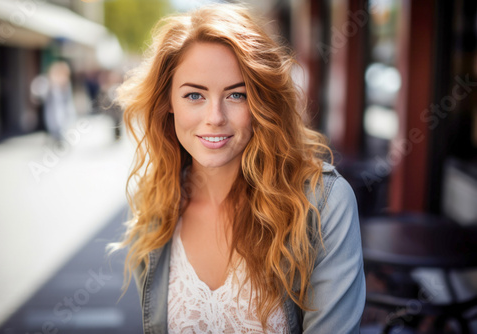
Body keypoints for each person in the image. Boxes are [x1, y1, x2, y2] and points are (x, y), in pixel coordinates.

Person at [111, 3, 365, 333]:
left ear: (262, 103)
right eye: (194, 96)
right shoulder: (157, 207)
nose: (215, 117)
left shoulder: (324, 204)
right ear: (167, 103)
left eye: (236, 95)